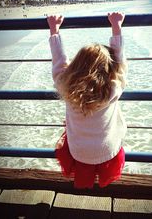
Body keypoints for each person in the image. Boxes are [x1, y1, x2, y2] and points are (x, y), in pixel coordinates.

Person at [47, 12, 128, 189]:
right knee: (106, 165)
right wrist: (116, 27)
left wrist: (54, 30)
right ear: (109, 69)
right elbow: (120, 64)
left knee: (83, 174)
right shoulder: (113, 88)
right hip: (107, 149)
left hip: (79, 151)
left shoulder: (66, 86)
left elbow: (59, 62)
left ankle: (86, 186)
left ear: (75, 66)